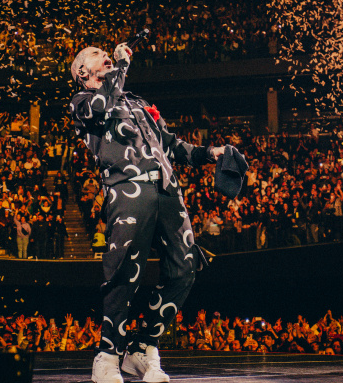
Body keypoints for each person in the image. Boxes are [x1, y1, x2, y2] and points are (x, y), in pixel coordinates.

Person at [70, 43, 226, 383]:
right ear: (82, 72)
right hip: (128, 190)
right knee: (124, 274)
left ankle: (142, 348)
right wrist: (120, 68)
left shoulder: (139, 103)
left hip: (168, 191)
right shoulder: (82, 102)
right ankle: (108, 356)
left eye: (105, 53)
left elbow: (172, 146)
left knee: (185, 268)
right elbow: (103, 104)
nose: (105, 55)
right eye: (96, 54)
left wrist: (210, 152)